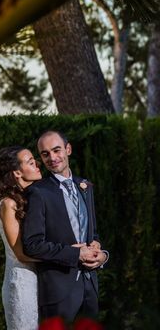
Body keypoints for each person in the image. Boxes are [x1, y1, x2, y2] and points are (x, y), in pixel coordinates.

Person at [22, 130, 109, 323]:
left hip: (90, 286)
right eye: (45, 154)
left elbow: (92, 233)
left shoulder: (85, 186)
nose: (52, 158)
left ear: (68, 149)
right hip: (58, 292)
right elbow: (32, 245)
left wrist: (101, 254)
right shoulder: (37, 192)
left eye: (56, 150)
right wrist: (74, 253)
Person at [0, 145, 42, 330]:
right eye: (30, 162)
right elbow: (20, 254)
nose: (37, 164)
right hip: (22, 285)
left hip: (40, 281)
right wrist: (65, 254)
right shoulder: (8, 204)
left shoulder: (31, 199)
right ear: (17, 173)